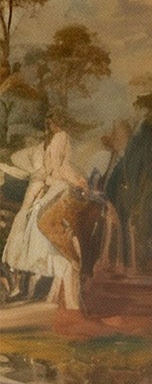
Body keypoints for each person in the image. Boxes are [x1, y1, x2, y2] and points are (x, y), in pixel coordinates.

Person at [1, 125, 89, 308]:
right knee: (29, 223)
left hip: (45, 193)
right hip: (40, 192)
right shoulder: (41, 159)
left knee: (35, 224)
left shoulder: (53, 149)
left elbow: (52, 172)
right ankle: (25, 288)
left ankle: (32, 289)